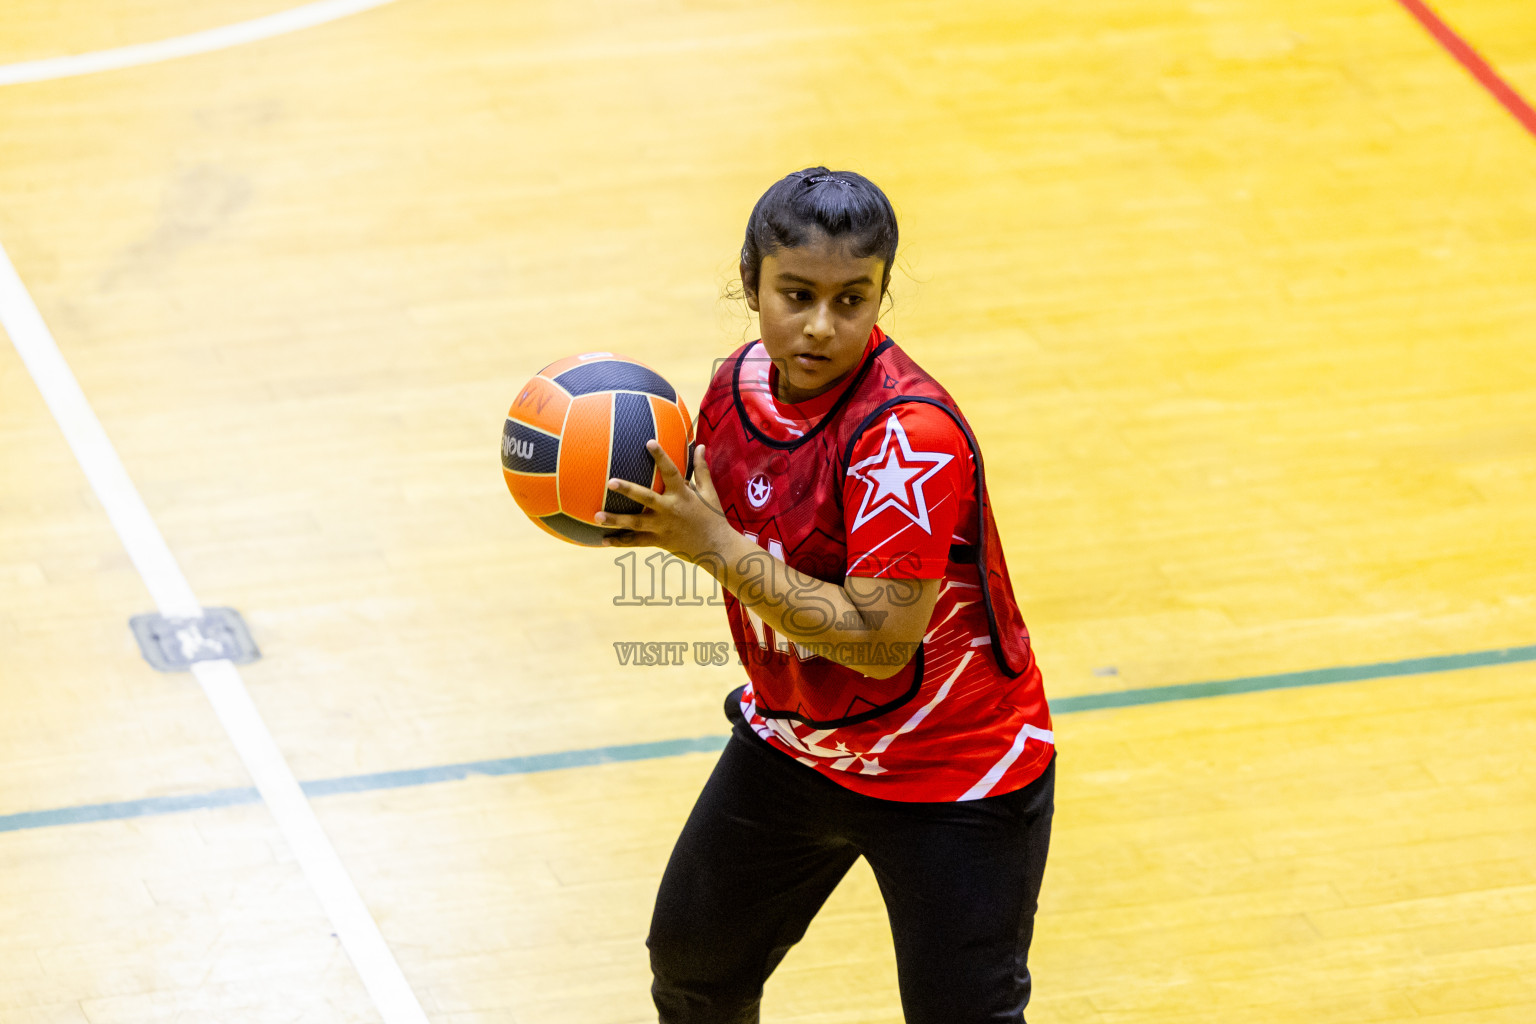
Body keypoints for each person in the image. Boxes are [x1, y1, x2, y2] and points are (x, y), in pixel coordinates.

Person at [596, 167, 1055, 1024]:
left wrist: (715, 545)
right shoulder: (735, 389)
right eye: (796, 293)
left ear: (882, 293)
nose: (819, 326)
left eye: (853, 300)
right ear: (751, 282)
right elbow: (724, 519)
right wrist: (650, 517)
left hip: (951, 776)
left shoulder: (907, 437)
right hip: (799, 747)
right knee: (695, 968)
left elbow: (880, 640)